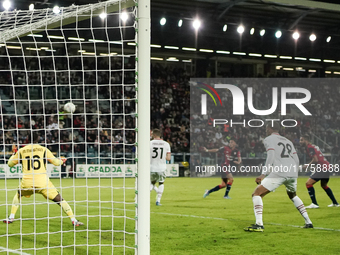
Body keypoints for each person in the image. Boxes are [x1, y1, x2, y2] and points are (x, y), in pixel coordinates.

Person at [3, 132, 83, 226]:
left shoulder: (22, 150)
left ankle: (11, 217)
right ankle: (74, 220)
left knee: (18, 195)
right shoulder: (43, 149)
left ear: (27, 140)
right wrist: (61, 161)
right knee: (60, 200)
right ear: (38, 139)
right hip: (42, 182)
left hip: (27, 182)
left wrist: (14, 153)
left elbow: (10, 164)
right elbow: (56, 162)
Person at [244, 123, 313, 232]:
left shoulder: (269, 139)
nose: (266, 130)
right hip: (292, 172)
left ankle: (259, 224)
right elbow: (296, 159)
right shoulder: (288, 141)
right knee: (293, 195)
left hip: (280, 171)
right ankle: (308, 222)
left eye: (267, 128)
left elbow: (271, 155)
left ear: (270, 128)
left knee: (256, 194)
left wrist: (263, 173)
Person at [299, 135, 339, 208]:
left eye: (301, 140)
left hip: (322, 167)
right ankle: (335, 203)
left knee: (308, 183)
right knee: (324, 185)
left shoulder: (309, 147)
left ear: (306, 140)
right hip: (326, 166)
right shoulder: (313, 146)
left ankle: (314, 204)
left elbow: (315, 159)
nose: (300, 142)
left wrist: (307, 165)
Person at [150, 129, 171, 206]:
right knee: (161, 183)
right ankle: (158, 201)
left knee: (151, 183)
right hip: (162, 168)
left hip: (151, 167)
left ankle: (143, 199)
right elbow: (168, 158)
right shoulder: (166, 144)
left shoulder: (149, 143)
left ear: (154, 135)